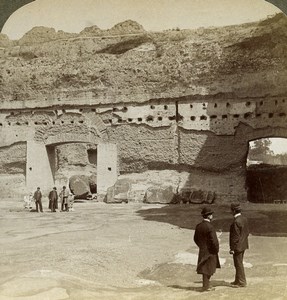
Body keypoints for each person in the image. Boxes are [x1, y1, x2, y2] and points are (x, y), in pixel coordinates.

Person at [194, 207, 220, 292]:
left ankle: (206, 285)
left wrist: (201, 246)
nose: (212, 216)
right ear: (208, 216)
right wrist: (215, 250)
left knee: (204, 267)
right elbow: (214, 241)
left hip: (203, 249)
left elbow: (195, 238)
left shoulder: (199, 226)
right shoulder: (210, 227)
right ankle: (206, 286)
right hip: (210, 250)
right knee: (209, 268)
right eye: (211, 214)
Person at [229, 202, 249, 288]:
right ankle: (237, 280)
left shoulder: (235, 222)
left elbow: (235, 237)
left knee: (238, 264)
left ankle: (242, 282)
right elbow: (247, 232)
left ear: (233, 211)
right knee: (238, 263)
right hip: (243, 244)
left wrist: (232, 248)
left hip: (237, 246)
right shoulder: (244, 219)